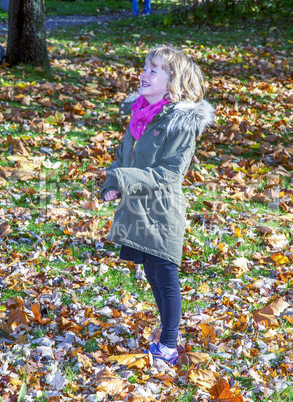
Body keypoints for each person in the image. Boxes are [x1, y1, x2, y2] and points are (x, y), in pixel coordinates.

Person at [101, 45, 215, 364]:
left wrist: (126, 178)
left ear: (173, 82)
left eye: (154, 70)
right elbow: (123, 155)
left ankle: (167, 346)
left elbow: (171, 171)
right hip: (138, 211)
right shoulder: (139, 115)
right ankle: (170, 331)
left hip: (163, 212)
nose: (144, 73)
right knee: (151, 272)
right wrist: (113, 182)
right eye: (144, 67)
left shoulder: (179, 122)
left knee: (164, 274)